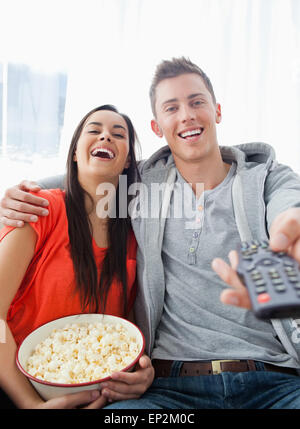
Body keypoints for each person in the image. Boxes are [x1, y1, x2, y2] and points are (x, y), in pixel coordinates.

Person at [1, 57, 300, 409]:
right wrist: (18, 193)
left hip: (274, 380)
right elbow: (91, 173)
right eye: (172, 107)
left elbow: (289, 208)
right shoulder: (145, 185)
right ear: (158, 127)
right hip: (172, 388)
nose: (186, 114)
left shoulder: (267, 178)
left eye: (197, 102)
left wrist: (286, 232)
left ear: (217, 111)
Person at [0, 104, 154, 409]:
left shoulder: (136, 237)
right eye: (94, 131)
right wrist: (31, 404)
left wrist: (142, 374)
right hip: (13, 385)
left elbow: (126, 333)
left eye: (118, 134)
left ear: (127, 163)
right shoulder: (38, 209)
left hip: (96, 397)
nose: (106, 137)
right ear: (74, 153)